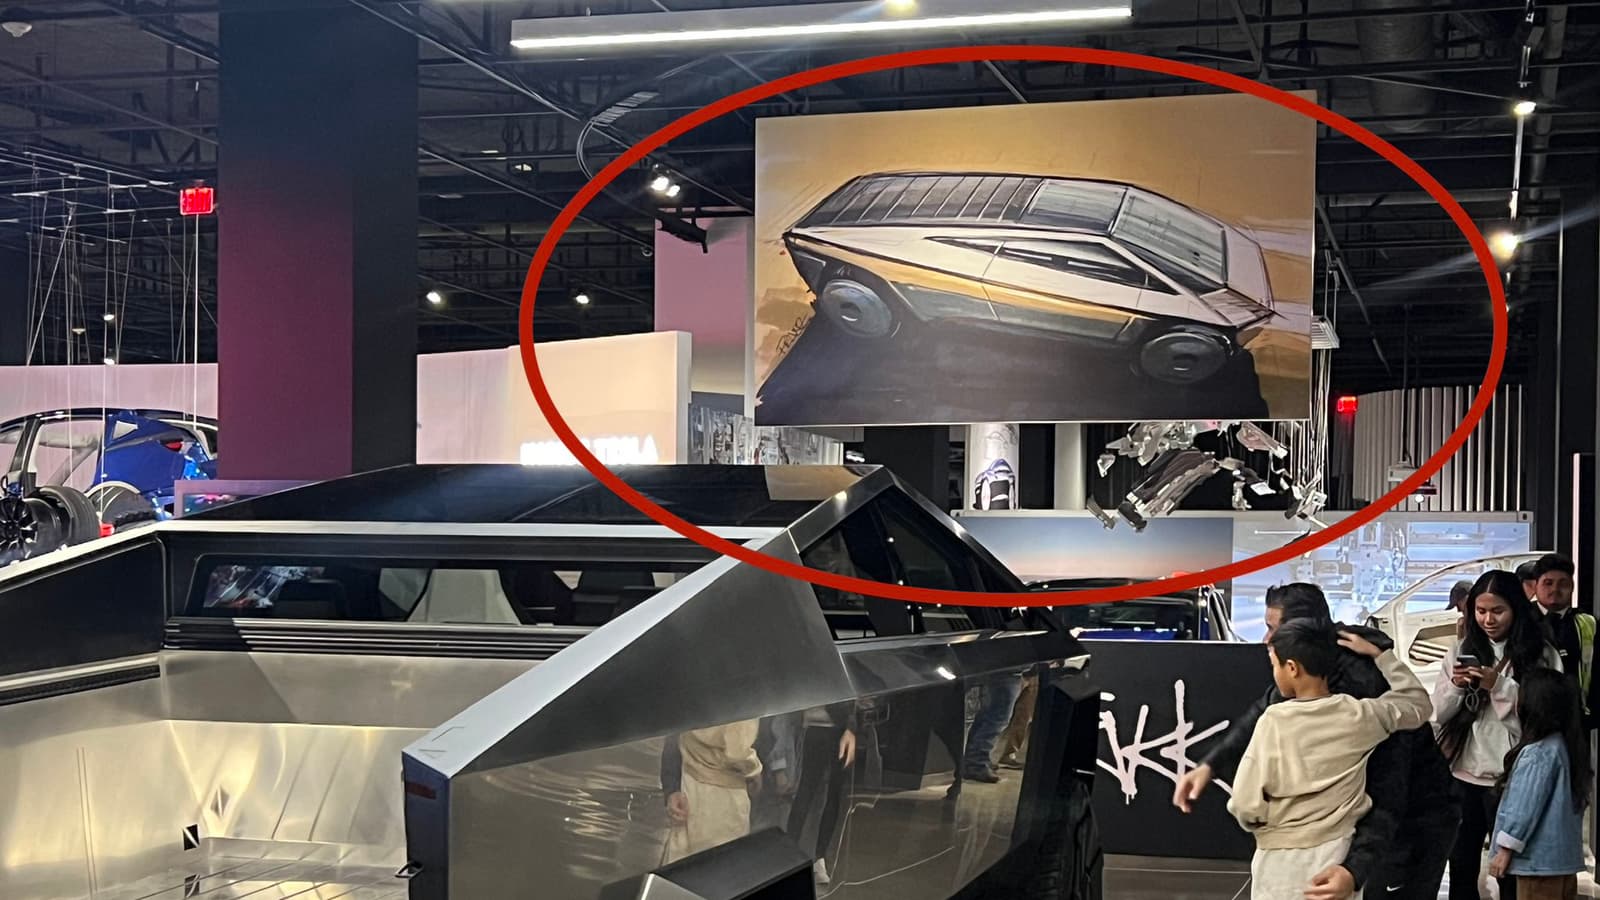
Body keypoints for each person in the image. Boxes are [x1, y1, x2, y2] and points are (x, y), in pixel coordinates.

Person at [1175, 584, 1459, 900]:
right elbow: (1261, 712)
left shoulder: (1364, 693)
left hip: (1411, 827)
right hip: (1338, 847)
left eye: (1274, 629)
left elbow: (1389, 788)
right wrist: (1211, 765)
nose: (1267, 640)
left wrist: (1355, 869)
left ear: (1299, 644)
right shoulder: (1317, 690)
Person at [1229, 620, 1432, 900]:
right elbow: (1418, 704)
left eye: (1275, 665)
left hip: (1280, 861)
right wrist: (1382, 656)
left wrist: (1259, 824)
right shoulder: (1359, 715)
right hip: (1337, 855)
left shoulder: (1273, 721)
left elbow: (1244, 801)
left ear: (1292, 668)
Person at [1434, 569, 1562, 900]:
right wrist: (1456, 687)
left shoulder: (1541, 654)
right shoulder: (1461, 650)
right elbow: (1439, 714)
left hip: (1514, 778)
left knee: (1510, 868)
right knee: (1461, 862)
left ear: (1516, 609)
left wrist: (1499, 686)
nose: (1488, 620)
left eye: (1497, 611)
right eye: (1480, 611)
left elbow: (1543, 720)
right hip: (1464, 772)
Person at [1488, 668, 1591, 900]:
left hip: (1537, 864)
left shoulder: (1537, 753)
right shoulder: (1566, 747)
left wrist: (1505, 849)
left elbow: (1523, 807)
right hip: (1563, 862)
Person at [660, 721, 763, 864]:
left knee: (683, 865)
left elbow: (674, 731)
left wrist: (672, 787)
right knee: (721, 866)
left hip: (689, 788)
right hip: (725, 800)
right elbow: (737, 751)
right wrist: (754, 771)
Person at [1529, 554, 1597, 730]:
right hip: (1530, 719)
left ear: (1572, 586)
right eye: (1548, 583)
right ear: (1535, 586)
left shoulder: (1586, 623)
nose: (1555, 589)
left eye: (1563, 584)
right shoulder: (1521, 621)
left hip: (1576, 719)